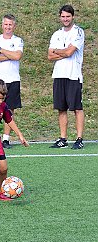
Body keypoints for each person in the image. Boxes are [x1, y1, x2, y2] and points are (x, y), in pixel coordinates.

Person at [48, 5, 85, 150]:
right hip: (59, 74)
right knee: (61, 108)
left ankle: (79, 138)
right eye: (63, 16)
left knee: (77, 108)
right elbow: (50, 56)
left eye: (68, 16)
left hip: (73, 75)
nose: (65, 19)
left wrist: (58, 51)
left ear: (72, 17)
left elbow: (70, 52)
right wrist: (61, 51)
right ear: (60, 17)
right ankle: (63, 138)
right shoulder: (56, 34)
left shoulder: (78, 32)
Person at [0, 14, 24, 149]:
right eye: (6, 24)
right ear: (2, 25)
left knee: (9, 111)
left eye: (10, 24)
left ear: (14, 26)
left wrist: (1, 51)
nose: (8, 27)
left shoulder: (18, 40)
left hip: (12, 80)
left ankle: (6, 140)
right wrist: (9, 56)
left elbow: (17, 56)